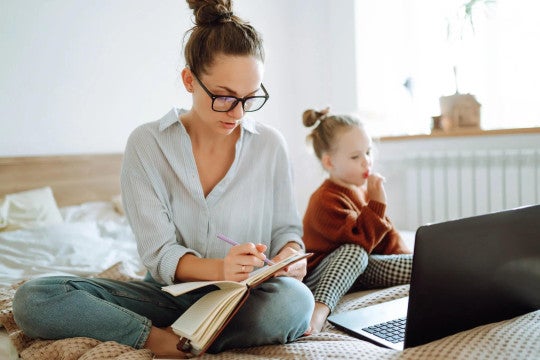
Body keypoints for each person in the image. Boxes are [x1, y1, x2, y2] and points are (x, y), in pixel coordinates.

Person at [12, 1, 314, 357]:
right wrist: (221, 268)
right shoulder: (148, 144)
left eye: (249, 98)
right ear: (189, 80)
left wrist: (291, 256)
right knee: (34, 299)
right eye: (224, 97)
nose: (237, 112)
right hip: (167, 298)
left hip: (246, 301)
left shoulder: (270, 145)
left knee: (295, 302)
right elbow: (159, 254)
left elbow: (286, 230)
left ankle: (195, 337)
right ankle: (166, 341)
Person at [301, 108, 412, 334]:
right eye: (355, 156)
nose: (366, 162)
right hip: (322, 273)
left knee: (420, 265)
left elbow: (386, 236)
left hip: (359, 270)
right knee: (355, 252)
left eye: (368, 152)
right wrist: (377, 204)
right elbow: (361, 239)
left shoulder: (362, 191)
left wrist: (403, 256)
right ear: (329, 162)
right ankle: (319, 310)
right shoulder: (324, 199)